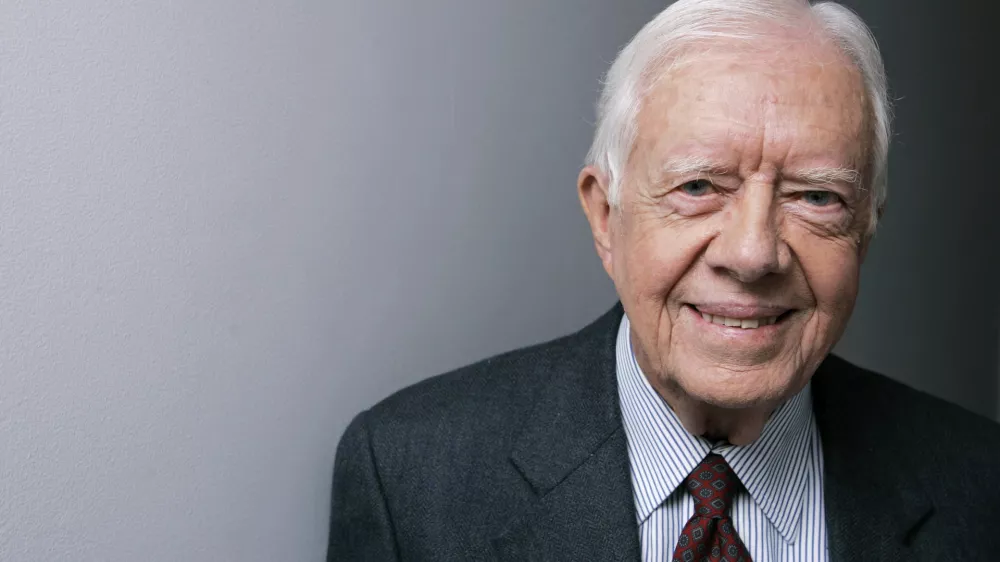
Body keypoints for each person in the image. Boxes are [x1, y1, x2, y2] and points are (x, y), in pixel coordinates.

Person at [327, 0, 1000, 560]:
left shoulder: (980, 486)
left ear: (867, 227)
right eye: (699, 186)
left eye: (816, 197)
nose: (753, 253)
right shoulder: (411, 478)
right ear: (604, 215)